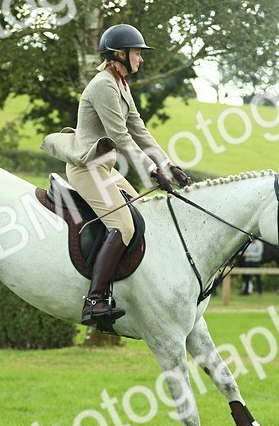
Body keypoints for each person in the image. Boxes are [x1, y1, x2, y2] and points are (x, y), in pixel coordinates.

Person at [40, 23, 190, 325]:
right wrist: (151, 170)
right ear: (120, 54)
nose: (141, 58)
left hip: (104, 168)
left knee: (144, 212)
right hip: (86, 168)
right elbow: (120, 136)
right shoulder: (103, 86)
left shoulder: (120, 84)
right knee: (122, 225)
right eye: (137, 53)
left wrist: (167, 163)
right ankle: (94, 300)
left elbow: (139, 128)